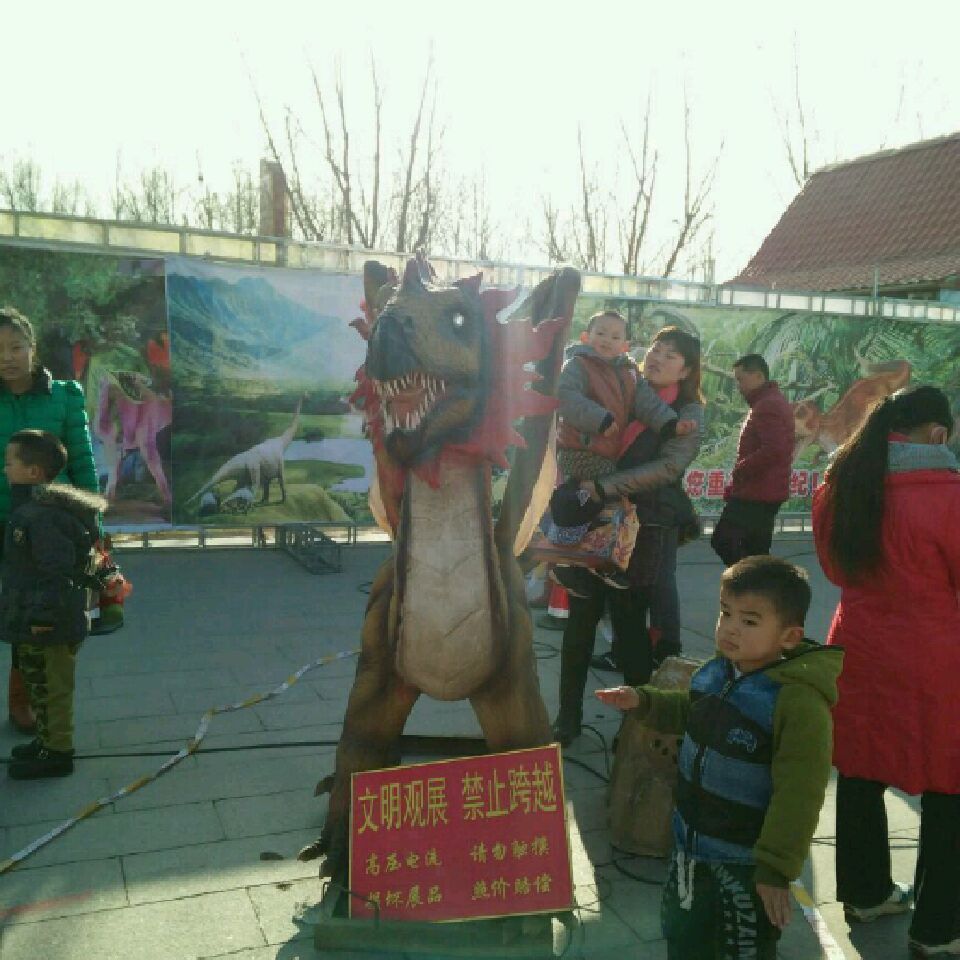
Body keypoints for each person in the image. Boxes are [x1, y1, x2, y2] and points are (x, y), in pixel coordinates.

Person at [597, 555, 842, 960]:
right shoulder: (715, 672)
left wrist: (776, 869)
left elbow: (799, 794)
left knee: (739, 948)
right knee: (684, 939)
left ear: (789, 636)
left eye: (749, 620)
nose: (730, 628)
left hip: (744, 865)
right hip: (688, 850)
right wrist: (644, 701)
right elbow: (691, 710)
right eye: (726, 612)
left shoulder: (797, 703)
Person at [812, 385, 960, 957]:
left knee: (860, 767)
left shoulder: (841, 484)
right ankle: (938, 928)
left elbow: (833, 568)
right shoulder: (949, 494)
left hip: (859, 647)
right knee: (949, 785)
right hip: (939, 659)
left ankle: (865, 893)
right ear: (938, 434)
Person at [553, 326, 703, 745]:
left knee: (630, 625)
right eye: (656, 348)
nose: (657, 357)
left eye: (671, 355)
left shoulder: (687, 413)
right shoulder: (623, 387)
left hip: (644, 528)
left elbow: (667, 469)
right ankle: (567, 718)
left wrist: (604, 487)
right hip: (593, 519)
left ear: (686, 370)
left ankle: (635, 727)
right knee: (580, 621)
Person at [0, 306, 100, 734]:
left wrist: (93, 525)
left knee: (36, 615)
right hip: (1, 521)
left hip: (46, 530)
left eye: (15, 347)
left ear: (32, 347)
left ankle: (26, 700)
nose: (7, 357)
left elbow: (82, 461)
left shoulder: (65, 395)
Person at [551, 310, 693, 592]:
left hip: (606, 453)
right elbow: (565, 396)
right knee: (602, 500)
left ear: (625, 345)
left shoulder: (629, 373)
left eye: (615, 336)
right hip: (582, 449)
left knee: (604, 504)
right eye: (601, 333)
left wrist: (669, 425)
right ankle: (572, 563)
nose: (607, 340)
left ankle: (590, 562)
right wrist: (600, 419)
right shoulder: (578, 364)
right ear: (586, 337)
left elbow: (647, 403)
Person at [1, 430, 106, 778]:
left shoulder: (43, 516)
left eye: (10, 462)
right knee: (39, 683)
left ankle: (58, 753)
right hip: (35, 616)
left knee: (52, 688)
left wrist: (43, 616)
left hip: (50, 621)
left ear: (33, 472)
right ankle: (46, 741)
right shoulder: (31, 509)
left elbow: (56, 572)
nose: (5, 469)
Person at [711, 354, 793, 566]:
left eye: (741, 379)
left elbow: (774, 449)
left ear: (758, 376)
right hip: (764, 490)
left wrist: (741, 469)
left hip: (757, 492)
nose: (738, 386)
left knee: (724, 541)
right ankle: (758, 582)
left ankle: (751, 581)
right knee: (756, 551)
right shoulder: (770, 401)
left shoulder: (768, 405)